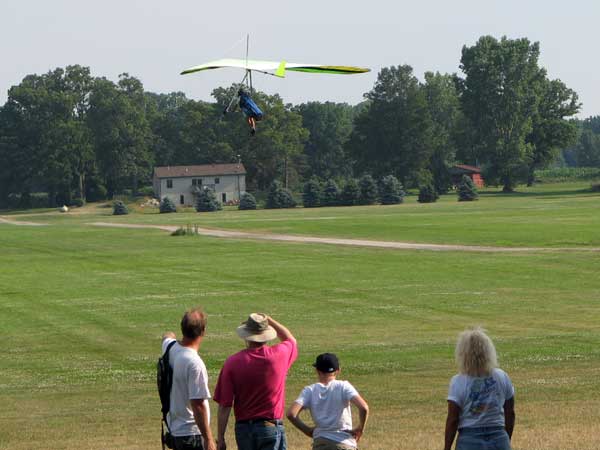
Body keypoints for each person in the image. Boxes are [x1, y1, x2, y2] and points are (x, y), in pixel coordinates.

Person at [213, 313, 297, 450]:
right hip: (270, 427)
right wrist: (269, 320)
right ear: (266, 335)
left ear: (246, 336)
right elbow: (290, 340)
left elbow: (225, 405)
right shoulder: (279, 355)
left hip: (244, 430)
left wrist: (221, 438)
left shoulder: (232, 362)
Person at [444, 327, 516, 450]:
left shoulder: (458, 381)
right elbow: (510, 412)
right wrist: (505, 439)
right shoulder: (502, 376)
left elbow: (453, 419)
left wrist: (447, 447)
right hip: (499, 437)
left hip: (469, 440)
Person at [287, 353, 369, 450]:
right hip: (344, 442)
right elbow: (364, 408)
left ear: (317, 371)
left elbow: (291, 414)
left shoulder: (310, 390)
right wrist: (360, 428)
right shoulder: (343, 386)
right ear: (338, 371)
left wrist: (307, 430)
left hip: (320, 443)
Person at [162, 308, 217, 450]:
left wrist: (172, 336)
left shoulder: (170, 348)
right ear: (203, 331)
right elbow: (198, 405)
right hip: (191, 434)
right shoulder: (194, 363)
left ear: (182, 329)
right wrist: (209, 439)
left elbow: (166, 336)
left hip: (175, 430)